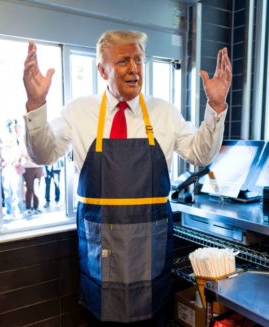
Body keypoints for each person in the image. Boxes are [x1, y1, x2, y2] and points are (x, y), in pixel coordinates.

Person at [22, 30, 231, 325]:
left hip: (151, 257)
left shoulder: (164, 113)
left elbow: (201, 153)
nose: (133, 69)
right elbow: (42, 155)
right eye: (123, 61)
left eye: (138, 60)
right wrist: (35, 106)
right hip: (101, 257)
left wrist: (217, 107)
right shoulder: (79, 111)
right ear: (102, 69)